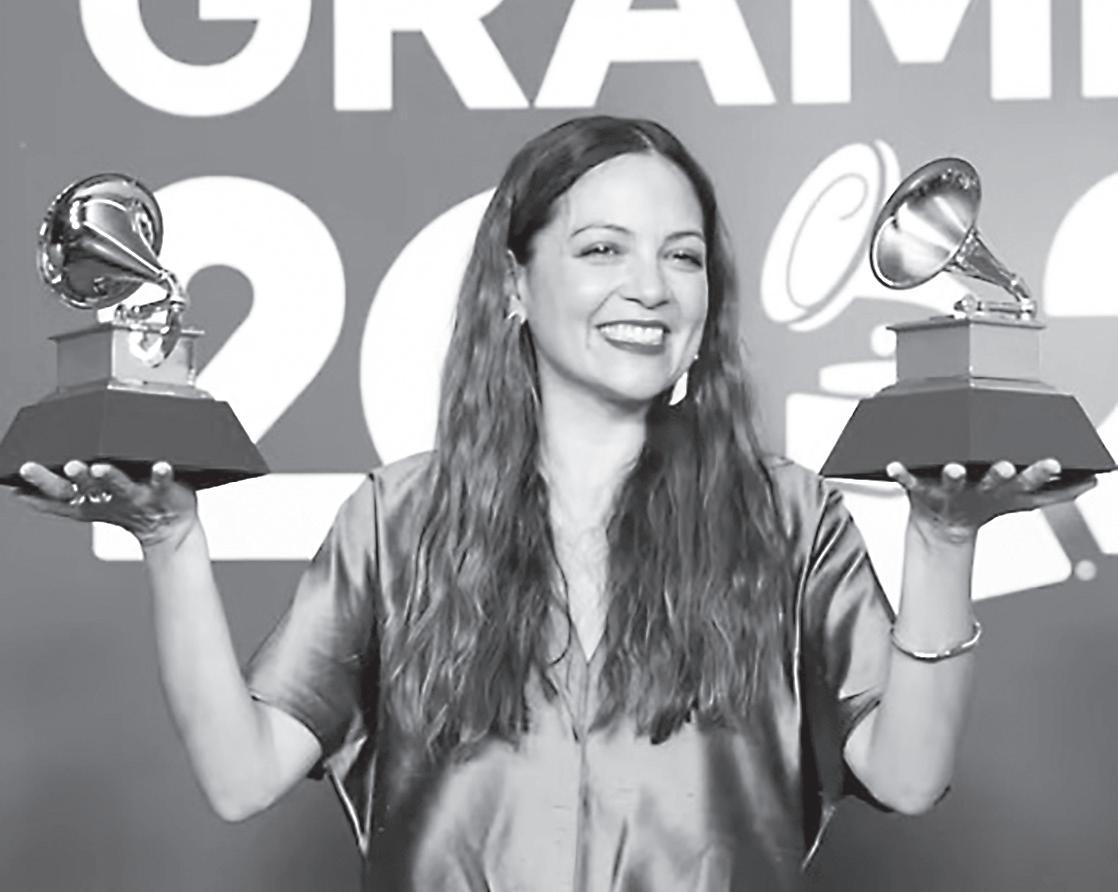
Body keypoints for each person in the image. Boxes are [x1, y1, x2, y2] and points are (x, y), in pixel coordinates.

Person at [15, 116, 1093, 891]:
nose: (650, 287)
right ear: (515, 286)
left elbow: (907, 776)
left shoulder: (789, 517)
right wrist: (171, 541)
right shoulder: (396, 520)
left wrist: (942, 542)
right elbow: (241, 775)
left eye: (681, 257)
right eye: (600, 249)